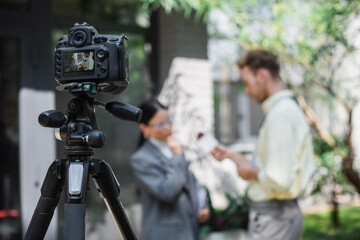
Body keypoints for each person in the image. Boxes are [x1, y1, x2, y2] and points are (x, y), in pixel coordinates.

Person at [211, 50, 316, 240]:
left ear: (262, 76)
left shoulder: (280, 115)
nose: (247, 91)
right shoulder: (283, 110)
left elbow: (279, 179)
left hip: (274, 218)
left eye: (247, 83)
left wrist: (248, 172)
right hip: (277, 216)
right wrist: (232, 156)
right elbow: (270, 167)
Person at [131, 100, 209, 240]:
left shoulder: (172, 146)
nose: (167, 126)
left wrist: (202, 206)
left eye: (168, 120)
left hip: (188, 228)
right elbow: (167, 192)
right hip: (164, 234)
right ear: (144, 128)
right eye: (160, 124)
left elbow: (191, 184)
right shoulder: (141, 158)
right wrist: (178, 156)